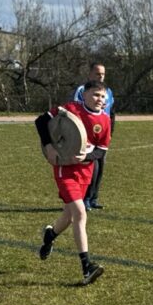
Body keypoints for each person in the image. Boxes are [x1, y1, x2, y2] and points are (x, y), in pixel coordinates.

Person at [35, 80, 112, 284]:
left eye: (103, 96)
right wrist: (49, 146)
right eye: (95, 95)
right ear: (84, 94)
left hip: (84, 173)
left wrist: (85, 158)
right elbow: (41, 121)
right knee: (80, 212)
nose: (99, 99)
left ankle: (50, 235)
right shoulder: (70, 109)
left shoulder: (105, 120)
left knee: (69, 216)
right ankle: (87, 267)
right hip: (64, 169)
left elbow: (101, 151)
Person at [73, 62, 115, 210]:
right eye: (98, 74)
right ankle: (84, 198)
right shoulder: (82, 90)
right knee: (91, 167)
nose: (101, 76)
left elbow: (111, 113)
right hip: (87, 137)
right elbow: (77, 109)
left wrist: (110, 133)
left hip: (102, 134)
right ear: (90, 74)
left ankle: (94, 198)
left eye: (103, 74)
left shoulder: (108, 91)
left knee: (101, 166)